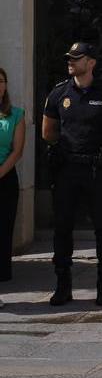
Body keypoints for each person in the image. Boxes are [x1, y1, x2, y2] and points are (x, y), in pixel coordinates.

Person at [41, 42, 102, 306]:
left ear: (91, 63)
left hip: (97, 168)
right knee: (63, 228)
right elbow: (48, 132)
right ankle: (63, 285)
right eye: (69, 58)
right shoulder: (59, 93)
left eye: (76, 58)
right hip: (68, 169)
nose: (70, 62)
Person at [0, 67, 26, 310]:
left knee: (1, 235)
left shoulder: (16, 114)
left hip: (5, 179)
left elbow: (17, 151)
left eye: (0, 81)